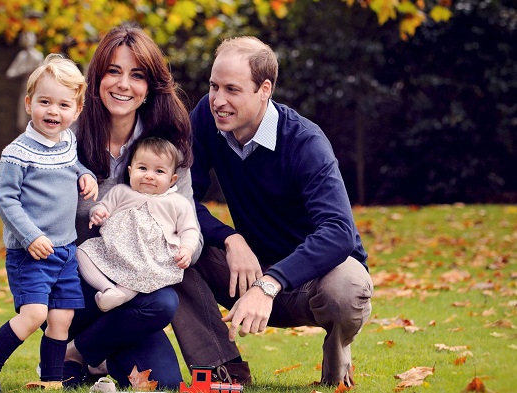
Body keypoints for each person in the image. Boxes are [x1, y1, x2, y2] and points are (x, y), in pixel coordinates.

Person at [171, 36, 373, 388]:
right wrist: (230, 238)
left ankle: (336, 364)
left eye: (232, 89)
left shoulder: (305, 142)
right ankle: (223, 368)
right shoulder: (206, 117)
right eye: (214, 86)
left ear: (264, 89)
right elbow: (179, 198)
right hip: (246, 270)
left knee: (349, 287)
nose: (218, 100)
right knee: (170, 243)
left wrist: (270, 283)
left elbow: (339, 231)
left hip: (312, 281)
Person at [59, 23, 202, 390]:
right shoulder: (66, 139)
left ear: (149, 88)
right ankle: (87, 348)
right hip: (75, 284)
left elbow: (190, 225)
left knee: (165, 377)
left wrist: (179, 250)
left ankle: (78, 354)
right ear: (97, 78)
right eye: (113, 72)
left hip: (137, 293)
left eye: (136, 75)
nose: (123, 85)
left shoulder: (168, 148)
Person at [0, 53, 98, 393]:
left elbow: (73, 166)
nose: (53, 112)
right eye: (45, 102)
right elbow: (5, 199)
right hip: (31, 252)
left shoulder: (67, 142)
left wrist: (86, 176)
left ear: (77, 110)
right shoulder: (17, 152)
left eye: (64, 105)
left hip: (65, 250)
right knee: (35, 314)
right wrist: (30, 236)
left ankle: (52, 381)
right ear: (29, 103)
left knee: (62, 318)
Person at [78, 137, 200, 312]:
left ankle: (120, 295)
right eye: (142, 168)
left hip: (150, 258)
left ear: (172, 179)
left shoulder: (177, 203)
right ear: (130, 171)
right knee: (82, 252)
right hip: (114, 250)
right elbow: (102, 207)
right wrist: (98, 214)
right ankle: (108, 289)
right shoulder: (121, 192)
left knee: (144, 274)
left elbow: (189, 229)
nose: (149, 175)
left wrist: (187, 249)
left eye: (159, 171)